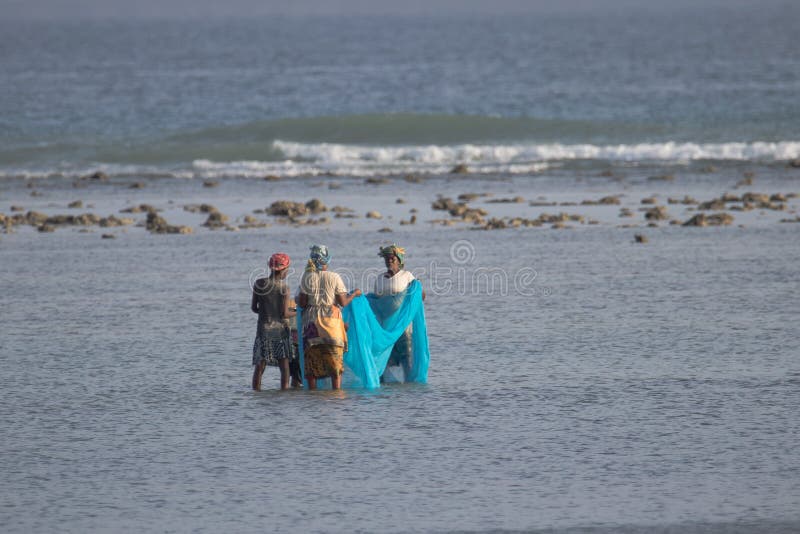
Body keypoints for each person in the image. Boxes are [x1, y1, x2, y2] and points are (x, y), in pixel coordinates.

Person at [296, 245, 361, 390]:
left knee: (312, 370)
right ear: (326, 260)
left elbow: (302, 303)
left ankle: (312, 399)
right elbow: (342, 302)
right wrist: (354, 294)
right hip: (333, 327)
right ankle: (336, 398)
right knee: (335, 370)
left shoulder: (307, 277)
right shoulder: (334, 277)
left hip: (312, 328)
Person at [373, 243, 424, 382]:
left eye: (392, 258)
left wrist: (418, 287)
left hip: (404, 329)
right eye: (387, 259)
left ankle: (407, 393)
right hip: (385, 330)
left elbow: (421, 296)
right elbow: (376, 304)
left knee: (406, 361)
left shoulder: (407, 276)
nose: (389, 261)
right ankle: (384, 392)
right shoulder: (380, 279)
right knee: (382, 363)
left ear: (399, 261)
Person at [251, 253, 299, 391]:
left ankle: (256, 392)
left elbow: (254, 308)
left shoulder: (259, 283)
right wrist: (298, 311)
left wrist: (266, 311)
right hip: (279, 332)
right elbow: (284, 314)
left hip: (263, 330)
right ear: (284, 269)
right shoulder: (284, 288)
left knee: (260, 366)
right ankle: (284, 392)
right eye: (287, 269)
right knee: (284, 367)